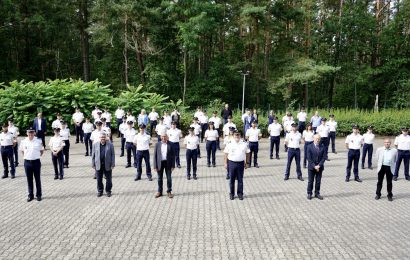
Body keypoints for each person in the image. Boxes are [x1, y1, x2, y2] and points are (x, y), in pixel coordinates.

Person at [224, 130, 250, 200]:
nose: (237, 136)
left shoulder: (244, 144)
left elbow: (248, 153)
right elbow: (226, 153)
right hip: (231, 163)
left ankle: (240, 194)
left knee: (240, 180)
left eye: (238, 135)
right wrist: (225, 163)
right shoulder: (230, 143)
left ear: (240, 135)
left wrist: (247, 162)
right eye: (235, 135)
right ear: (233, 135)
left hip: (240, 163)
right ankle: (231, 194)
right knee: (231, 180)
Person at [20, 127, 44, 202]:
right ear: (27, 133)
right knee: (29, 180)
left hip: (36, 162)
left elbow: (41, 151)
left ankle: (39, 195)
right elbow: (22, 151)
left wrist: (36, 156)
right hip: (27, 162)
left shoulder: (38, 141)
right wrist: (27, 157)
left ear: (34, 133)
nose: (30, 134)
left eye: (32, 132)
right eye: (29, 132)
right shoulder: (23, 141)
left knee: (37, 179)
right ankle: (30, 195)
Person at [92, 132, 115, 197]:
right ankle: (100, 191)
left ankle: (108, 191)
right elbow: (93, 155)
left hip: (107, 164)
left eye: (104, 137)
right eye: (101, 137)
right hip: (98, 164)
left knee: (109, 179)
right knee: (99, 179)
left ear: (106, 138)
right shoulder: (95, 144)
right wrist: (93, 164)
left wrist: (113, 164)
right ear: (99, 138)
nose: (103, 138)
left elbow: (113, 155)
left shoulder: (110, 145)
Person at [153, 133, 176, 198]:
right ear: (160, 137)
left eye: (165, 136)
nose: (163, 138)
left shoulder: (171, 144)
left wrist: (173, 165)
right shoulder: (157, 144)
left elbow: (173, 156)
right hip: (160, 163)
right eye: (162, 136)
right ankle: (159, 191)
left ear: (167, 137)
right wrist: (155, 166)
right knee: (159, 178)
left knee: (169, 178)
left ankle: (169, 191)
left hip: (168, 163)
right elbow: (155, 156)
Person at [306, 134, 326, 200]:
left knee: (318, 181)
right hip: (312, 167)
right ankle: (309, 193)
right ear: (313, 139)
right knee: (310, 181)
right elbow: (309, 158)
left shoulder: (322, 146)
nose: (317, 140)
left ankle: (317, 193)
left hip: (319, 167)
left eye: (318, 139)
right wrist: (314, 166)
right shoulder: (309, 146)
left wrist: (319, 165)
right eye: (316, 138)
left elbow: (324, 157)